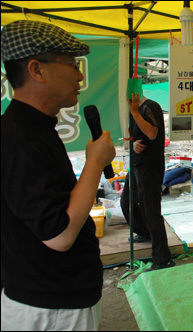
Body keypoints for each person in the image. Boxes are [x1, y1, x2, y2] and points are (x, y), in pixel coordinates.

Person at [1, 20, 116, 331]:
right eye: (71, 64)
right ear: (37, 70)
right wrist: (95, 163)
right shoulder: (18, 139)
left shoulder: (35, 129)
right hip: (49, 309)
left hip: (55, 297)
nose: (79, 75)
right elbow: (59, 234)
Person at [120, 92, 175, 272]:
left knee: (150, 209)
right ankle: (145, 232)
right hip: (137, 163)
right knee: (127, 201)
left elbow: (152, 133)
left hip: (150, 167)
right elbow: (136, 137)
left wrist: (135, 113)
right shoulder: (133, 110)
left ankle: (163, 258)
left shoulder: (150, 107)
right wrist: (134, 144)